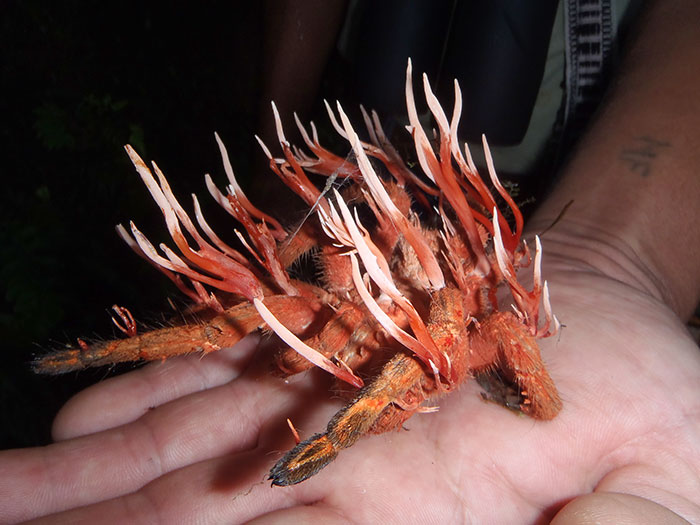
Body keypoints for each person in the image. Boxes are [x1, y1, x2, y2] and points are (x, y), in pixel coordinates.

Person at [1, 0, 699, 522]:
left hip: (506, 210)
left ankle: (333, 432)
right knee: (292, 288)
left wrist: (334, 437)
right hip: (390, 105)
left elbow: (505, 330)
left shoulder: (469, 316)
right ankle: (89, 355)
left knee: (448, 303)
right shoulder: (363, 282)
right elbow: (328, 255)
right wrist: (280, 224)